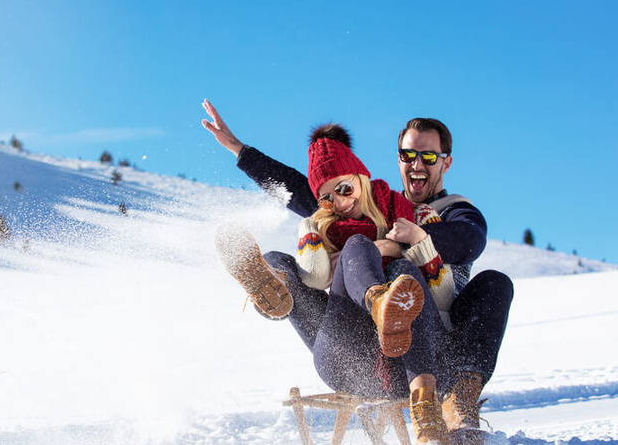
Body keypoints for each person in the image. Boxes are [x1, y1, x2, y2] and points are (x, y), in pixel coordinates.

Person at [202, 99, 513, 445]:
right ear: (398, 159)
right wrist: (239, 150)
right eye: (408, 155)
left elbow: (468, 240)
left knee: (493, 282)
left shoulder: (453, 212)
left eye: (428, 157)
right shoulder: (367, 202)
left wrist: (401, 242)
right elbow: (304, 188)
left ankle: (459, 404)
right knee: (289, 258)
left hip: (425, 346)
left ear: (446, 162)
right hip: (352, 349)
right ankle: (273, 286)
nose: (416, 164)